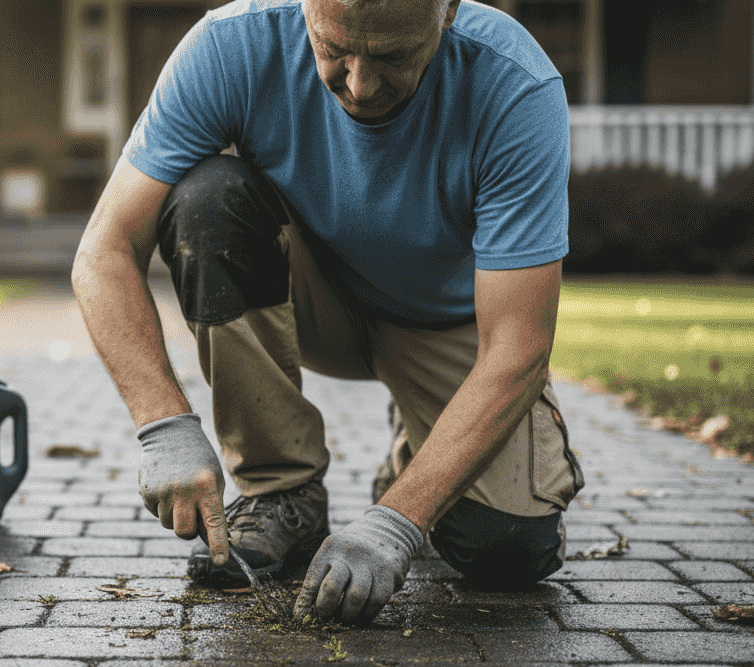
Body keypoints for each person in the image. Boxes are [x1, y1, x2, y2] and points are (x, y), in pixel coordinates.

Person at [71, 0, 583, 625]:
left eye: (392, 56)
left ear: (447, 11)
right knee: (208, 201)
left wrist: (397, 525)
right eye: (334, 49)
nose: (359, 85)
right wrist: (163, 425)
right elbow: (104, 250)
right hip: (311, 300)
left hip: (450, 326)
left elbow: (518, 347)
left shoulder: (514, 85)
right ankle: (282, 492)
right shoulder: (231, 46)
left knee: (504, 549)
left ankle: (411, 455)